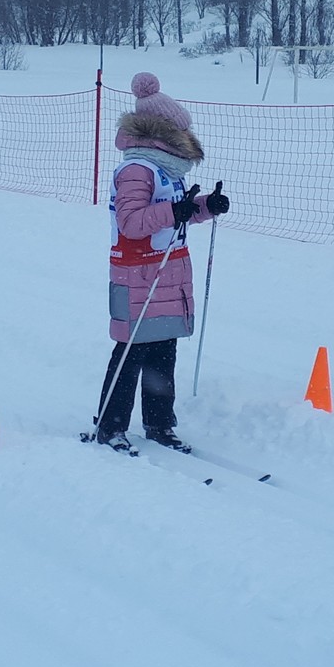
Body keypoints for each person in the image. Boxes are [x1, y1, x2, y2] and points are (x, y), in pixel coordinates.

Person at [94, 74, 229, 452]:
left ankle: (159, 424)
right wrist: (177, 210)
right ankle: (111, 426)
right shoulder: (137, 169)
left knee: (163, 351)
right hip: (137, 273)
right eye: (179, 130)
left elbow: (173, 214)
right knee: (130, 350)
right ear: (161, 132)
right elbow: (132, 222)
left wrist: (203, 208)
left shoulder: (167, 170)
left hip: (170, 272)